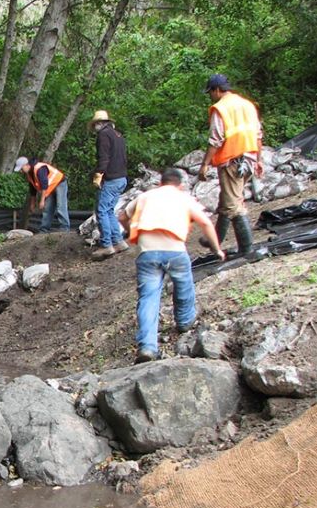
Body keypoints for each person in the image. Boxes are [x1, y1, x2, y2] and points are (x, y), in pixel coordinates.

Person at [118, 168, 226, 364]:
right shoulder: (183, 198)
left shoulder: (145, 196)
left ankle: (147, 347)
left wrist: (131, 233)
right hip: (175, 251)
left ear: (160, 183)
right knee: (183, 283)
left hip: (147, 252)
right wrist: (217, 249)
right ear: (180, 185)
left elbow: (122, 217)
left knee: (148, 298)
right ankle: (184, 321)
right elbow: (206, 223)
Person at [197, 73, 264, 256]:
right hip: (248, 158)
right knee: (228, 200)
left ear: (217, 90)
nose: (210, 96)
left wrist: (205, 164)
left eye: (210, 92)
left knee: (234, 205)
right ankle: (214, 240)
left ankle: (247, 248)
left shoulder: (221, 108)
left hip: (232, 161)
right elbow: (258, 134)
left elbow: (215, 139)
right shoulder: (247, 105)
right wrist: (258, 160)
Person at [88, 110, 129, 259]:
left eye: (95, 125)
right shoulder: (118, 135)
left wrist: (98, 175)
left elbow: (103, 157)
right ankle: (118, 242)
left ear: (99, 123)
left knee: (102, 211)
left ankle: (106, 245)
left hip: (111, 178)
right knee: (110, 210)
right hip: (121, 177)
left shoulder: (104, 135)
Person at [14, 156, 70, 233]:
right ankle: (44, 229)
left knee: (60, 206)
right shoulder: (29, 174)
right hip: (50, 187)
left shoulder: (39, 168)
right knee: (47, 209)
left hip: (59, 182)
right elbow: (32, 189)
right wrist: (32, 203)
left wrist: (42, 200)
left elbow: (44, 184)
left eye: (21, 169)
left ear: (26, 165)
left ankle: (64, 228)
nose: (21, 171)